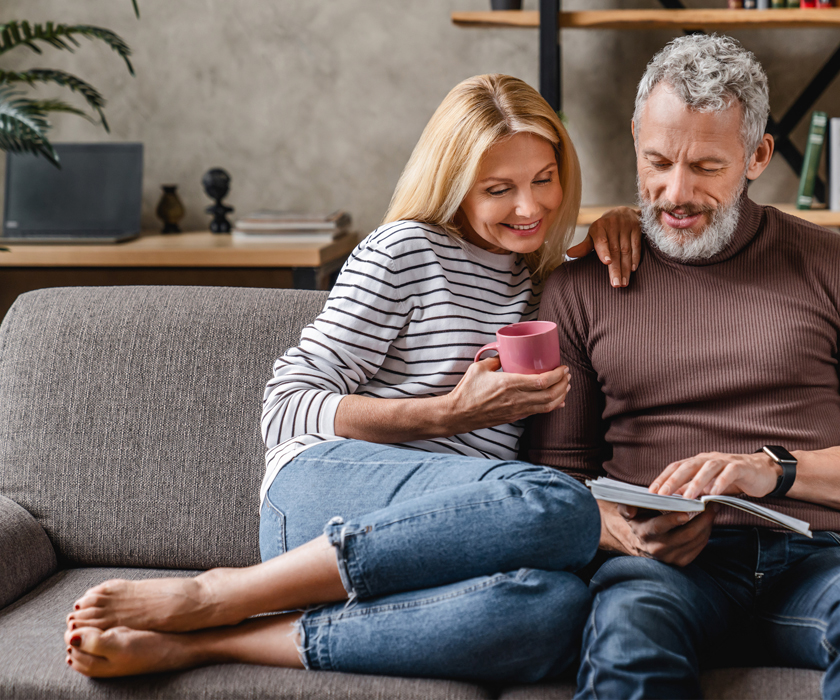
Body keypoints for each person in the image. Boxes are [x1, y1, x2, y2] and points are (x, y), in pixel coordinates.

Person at [62, 74, 640, 681]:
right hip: (322, 500)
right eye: (499, 189)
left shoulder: (540, 281)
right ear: (455, 185)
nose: (530, 207)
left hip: (440, 539)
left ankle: (209, 643)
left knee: (556, 610)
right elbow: (285, 404)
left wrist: (624, 225)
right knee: (561, 506)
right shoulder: (405, 251)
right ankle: (216, 595)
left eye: (544, 180)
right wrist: (446, 414)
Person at [526, 34, 840, 700]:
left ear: (757, 156)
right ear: (636, 136)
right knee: (626, 639)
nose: (675, 192)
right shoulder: (580, 285)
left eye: (706, 166)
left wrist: (774, 470)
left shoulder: (837, 266)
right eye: (657, 161)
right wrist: (628, 535)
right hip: (661, 573)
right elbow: (558, 478)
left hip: (821, 560)